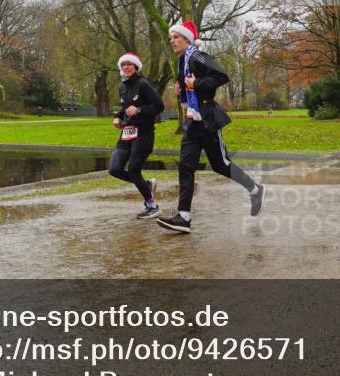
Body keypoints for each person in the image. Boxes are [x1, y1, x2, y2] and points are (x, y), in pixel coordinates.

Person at [157, 20, 265, 234]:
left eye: (176, 37)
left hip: (208, 120)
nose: (172, 41)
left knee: (221, 165)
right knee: (185, 166)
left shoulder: (197, 56)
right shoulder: (182, 61)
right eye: (171, 38)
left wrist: (195, 84)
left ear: (187, 39)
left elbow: (221, 76)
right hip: (192, 121)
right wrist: (182, 89)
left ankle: (255, 189)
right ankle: (183, 217)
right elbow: (190, 88)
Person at [108, 53, 164, 218]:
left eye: (129, 64)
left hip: (143, 133)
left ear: (136, 67)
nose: (126, 67)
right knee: (114, 169)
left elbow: (159, 105)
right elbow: (124, 108)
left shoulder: (143, 84)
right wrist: (117, 117)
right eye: (123, 65)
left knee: (133, 170)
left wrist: (139, 110)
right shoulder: (122, 87)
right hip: (126, 133)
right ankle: (147, 185)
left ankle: (152, 206)